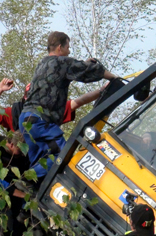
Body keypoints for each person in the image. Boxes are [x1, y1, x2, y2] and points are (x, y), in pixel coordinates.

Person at [19, 31, 117, 181]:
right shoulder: (62, 62)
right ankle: (26, 179)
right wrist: (115, 78)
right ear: (60, 48)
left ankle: (33, 191)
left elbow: (71, 71)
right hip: (40, 120)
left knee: (41, 161)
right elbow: (89, 71)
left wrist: (84, 64)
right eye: (68, 47)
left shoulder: (42, 63)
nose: (69, 51)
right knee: (63, 153)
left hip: (26, 118)